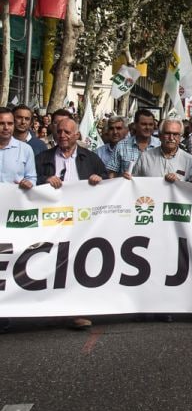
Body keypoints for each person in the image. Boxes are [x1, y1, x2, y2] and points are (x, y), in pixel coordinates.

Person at [35, 116, 107, 332]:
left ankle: (78, 311)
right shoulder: (43, 157)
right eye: (59, 132)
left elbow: (105, 179)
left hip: (82, 222)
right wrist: (44, 181)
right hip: (52, 221)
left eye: (68, 132)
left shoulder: (91, 158)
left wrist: (98, 178)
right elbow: (32, 180)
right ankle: (52, 310)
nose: (63, 135)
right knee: (51, 263)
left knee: (78, 263)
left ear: (77, 135)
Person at [130, 118, 192, 182]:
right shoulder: (145, 157)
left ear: (180, 137)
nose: (171, 138)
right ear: (160, 135)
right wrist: (127, 178)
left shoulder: (190, 161)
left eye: (175, 134)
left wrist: (179, 184)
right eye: (167, 133)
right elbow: (134, 181)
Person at [106, 109, 160, 177]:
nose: (147, 127)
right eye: (144, 124)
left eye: (151, 124)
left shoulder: (160, 145)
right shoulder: (121, 146)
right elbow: (112, 174)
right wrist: (122, 178)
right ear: (135, 125)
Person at [0, 107, 37, 190]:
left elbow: (32, 178)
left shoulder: (26, 149)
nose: (6, 128)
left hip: (14, 200)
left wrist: (29, 183)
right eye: (1, 123)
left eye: (10, 124)